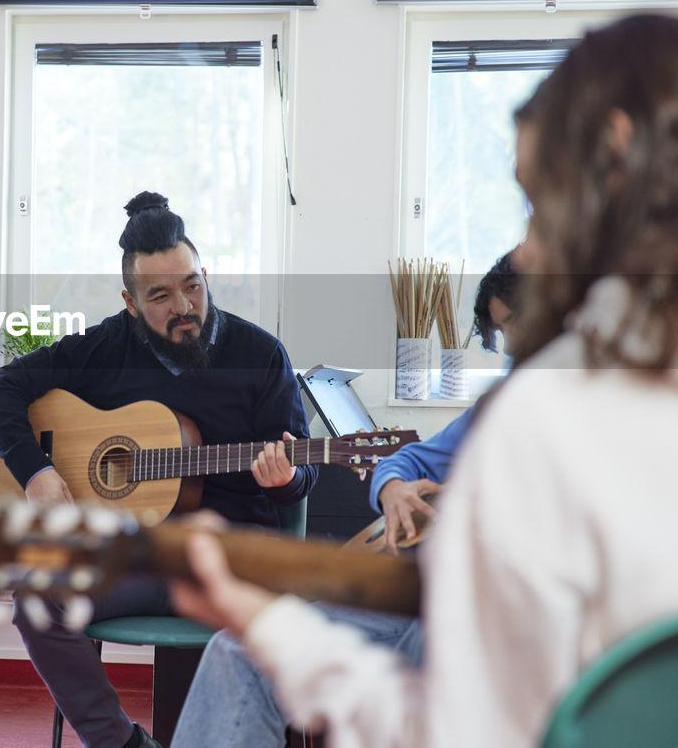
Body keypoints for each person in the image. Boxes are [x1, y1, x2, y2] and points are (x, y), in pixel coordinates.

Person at [170, 14, 678, 747]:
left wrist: (268, 624)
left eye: (539, 202)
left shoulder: (553, 415)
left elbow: (455, 731)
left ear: (617, 156)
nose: (528, 249)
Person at [0, 191, 317, 748]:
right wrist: (37, 471)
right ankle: (121, 743)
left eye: (192, 285)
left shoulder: (260, 354)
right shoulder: (106, 346)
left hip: (225, 555)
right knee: (38, 598)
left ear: (205, 273)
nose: (184, 306)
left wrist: (287, 478)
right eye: (160, 295)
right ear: (131, 303)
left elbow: (301, 472)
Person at [170, 253, 520, 748]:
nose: (517, 351)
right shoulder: (503, 406)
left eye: (522, 328)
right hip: (430, 604)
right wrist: (393, 488)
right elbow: (405, 460)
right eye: (507, 335)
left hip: (486, 623)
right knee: (236, 651)